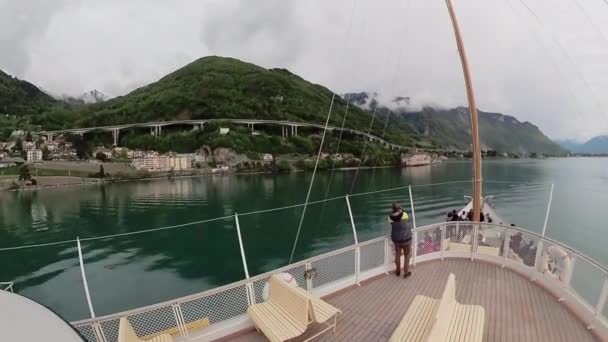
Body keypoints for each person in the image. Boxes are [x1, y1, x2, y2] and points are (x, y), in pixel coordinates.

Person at [390, 203, 412, 278]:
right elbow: (406, 218)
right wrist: (401, 210)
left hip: (396, 240)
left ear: (392, 209)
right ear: (400, 208)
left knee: (397, 255)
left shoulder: (390, 217)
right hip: (406, 238)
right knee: (407, 255)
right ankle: (406, 272)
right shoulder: (404, 214)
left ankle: (398, 271)